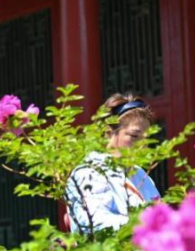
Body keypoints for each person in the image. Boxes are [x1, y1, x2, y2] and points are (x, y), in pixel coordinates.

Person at [65, 94, 160, 235]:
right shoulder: (88, 172)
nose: (143, 146)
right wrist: (145, 225)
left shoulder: (141, 174)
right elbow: (94, 224)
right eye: (134, 136)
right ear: (109, 133)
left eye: (147, 139)